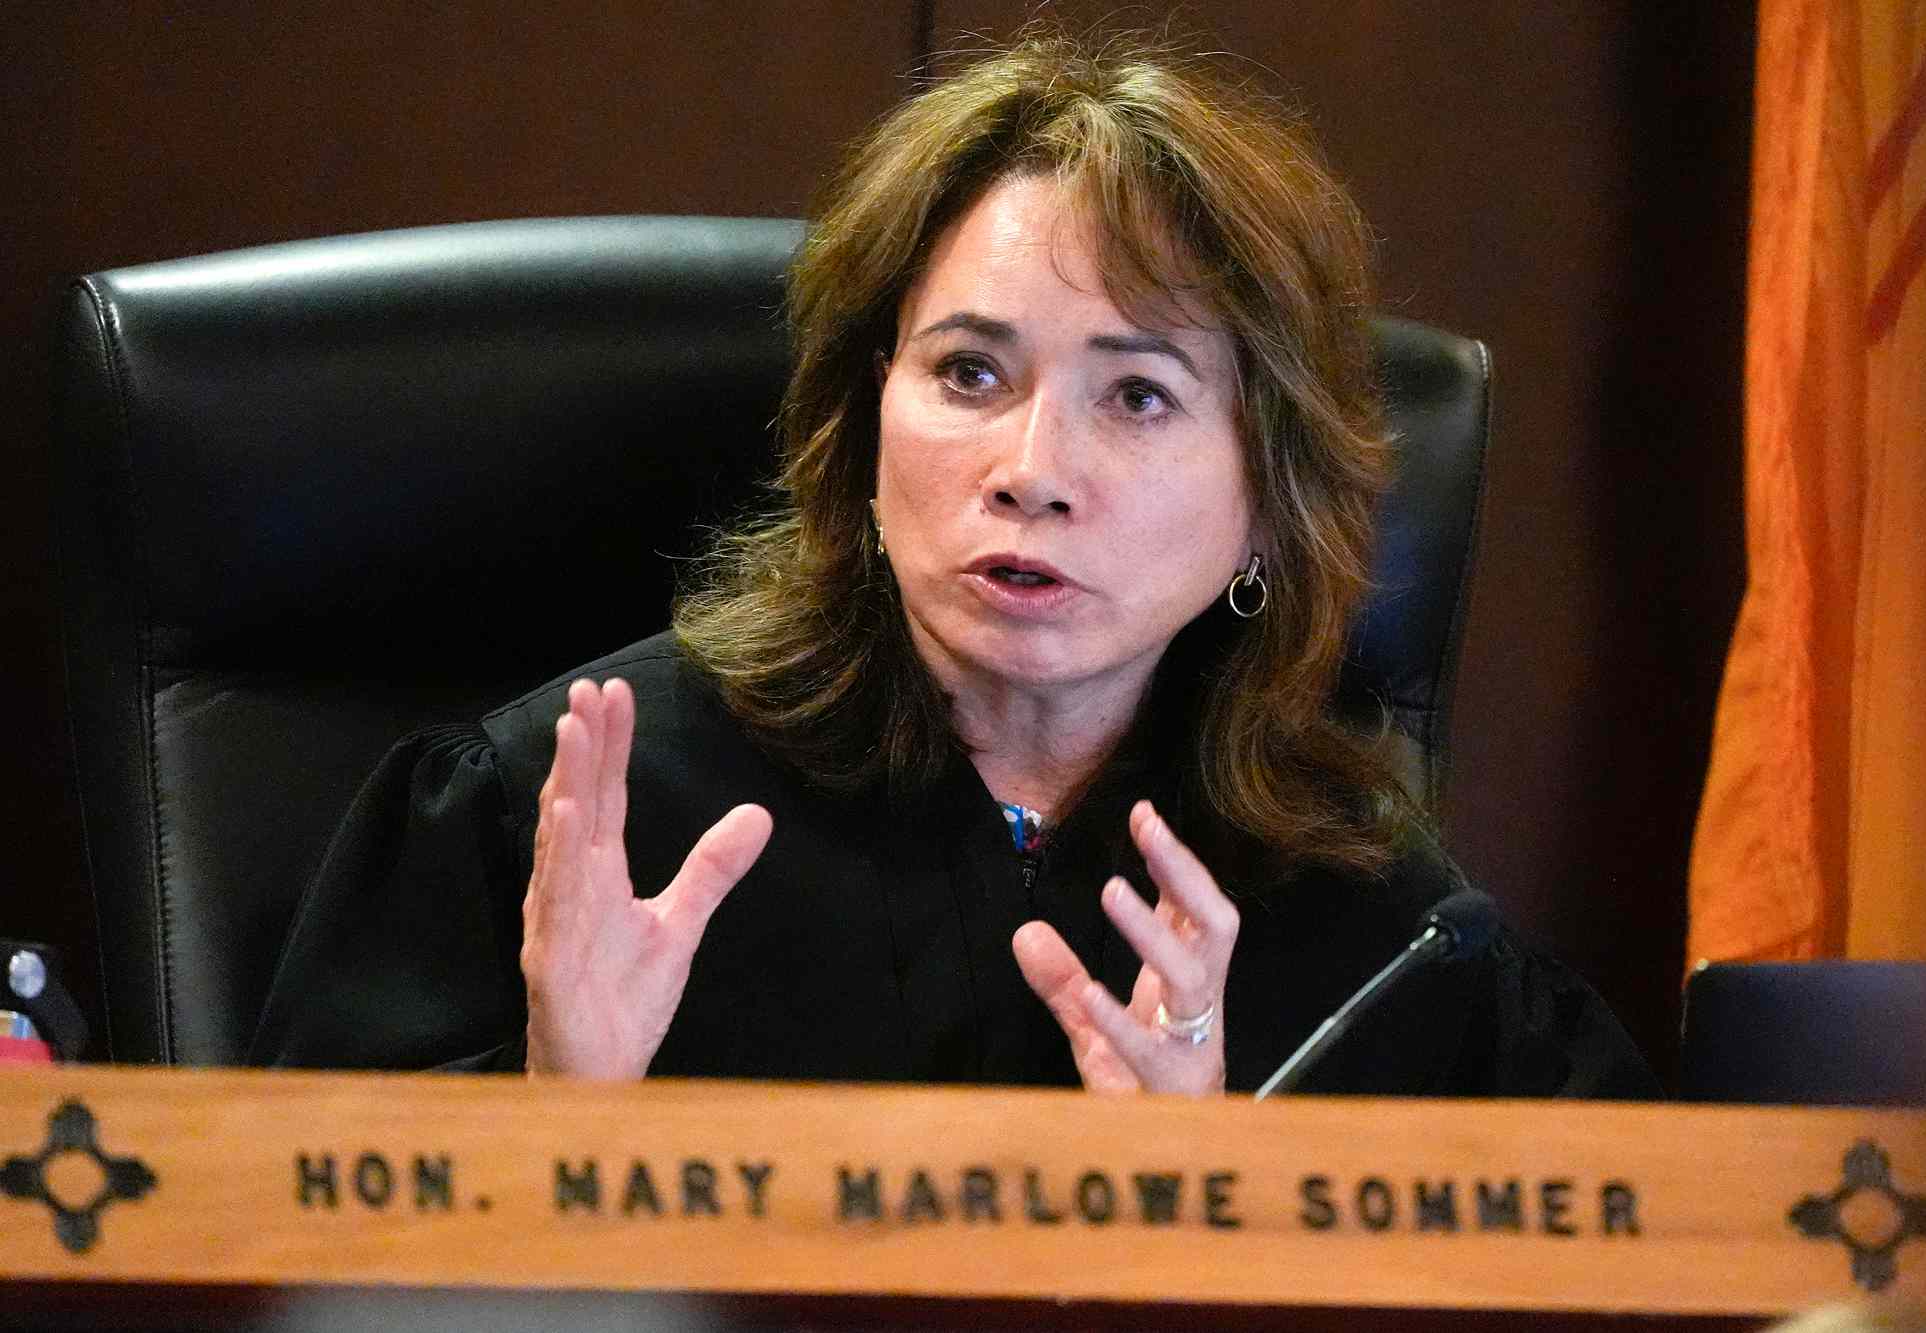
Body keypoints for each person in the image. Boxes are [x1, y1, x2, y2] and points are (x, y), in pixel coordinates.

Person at [252, 30, 1657, 1098]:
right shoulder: (563, 830)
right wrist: (561, 1124)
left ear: (1266, 504)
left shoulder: (1380, 934)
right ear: (864, 428)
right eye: (971, 370)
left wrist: (1218, 1242)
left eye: (1139, 394)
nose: (1033, 465)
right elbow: (269, 1275)